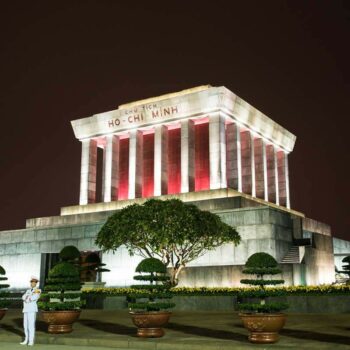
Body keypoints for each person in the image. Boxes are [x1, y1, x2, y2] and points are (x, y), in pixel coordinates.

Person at [20, 276, 41, 346]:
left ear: (36, 283)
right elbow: (23, 297)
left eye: (34, 282)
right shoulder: (28, 290)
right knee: (25, 325)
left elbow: (34, 297)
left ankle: (31, 341)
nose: (33, 283)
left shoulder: (38, 290)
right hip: (25, 309)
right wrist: (27, 298)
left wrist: (28, 298)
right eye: (32, 282)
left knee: (31, 326)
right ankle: (26, 340)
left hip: (32, 309)